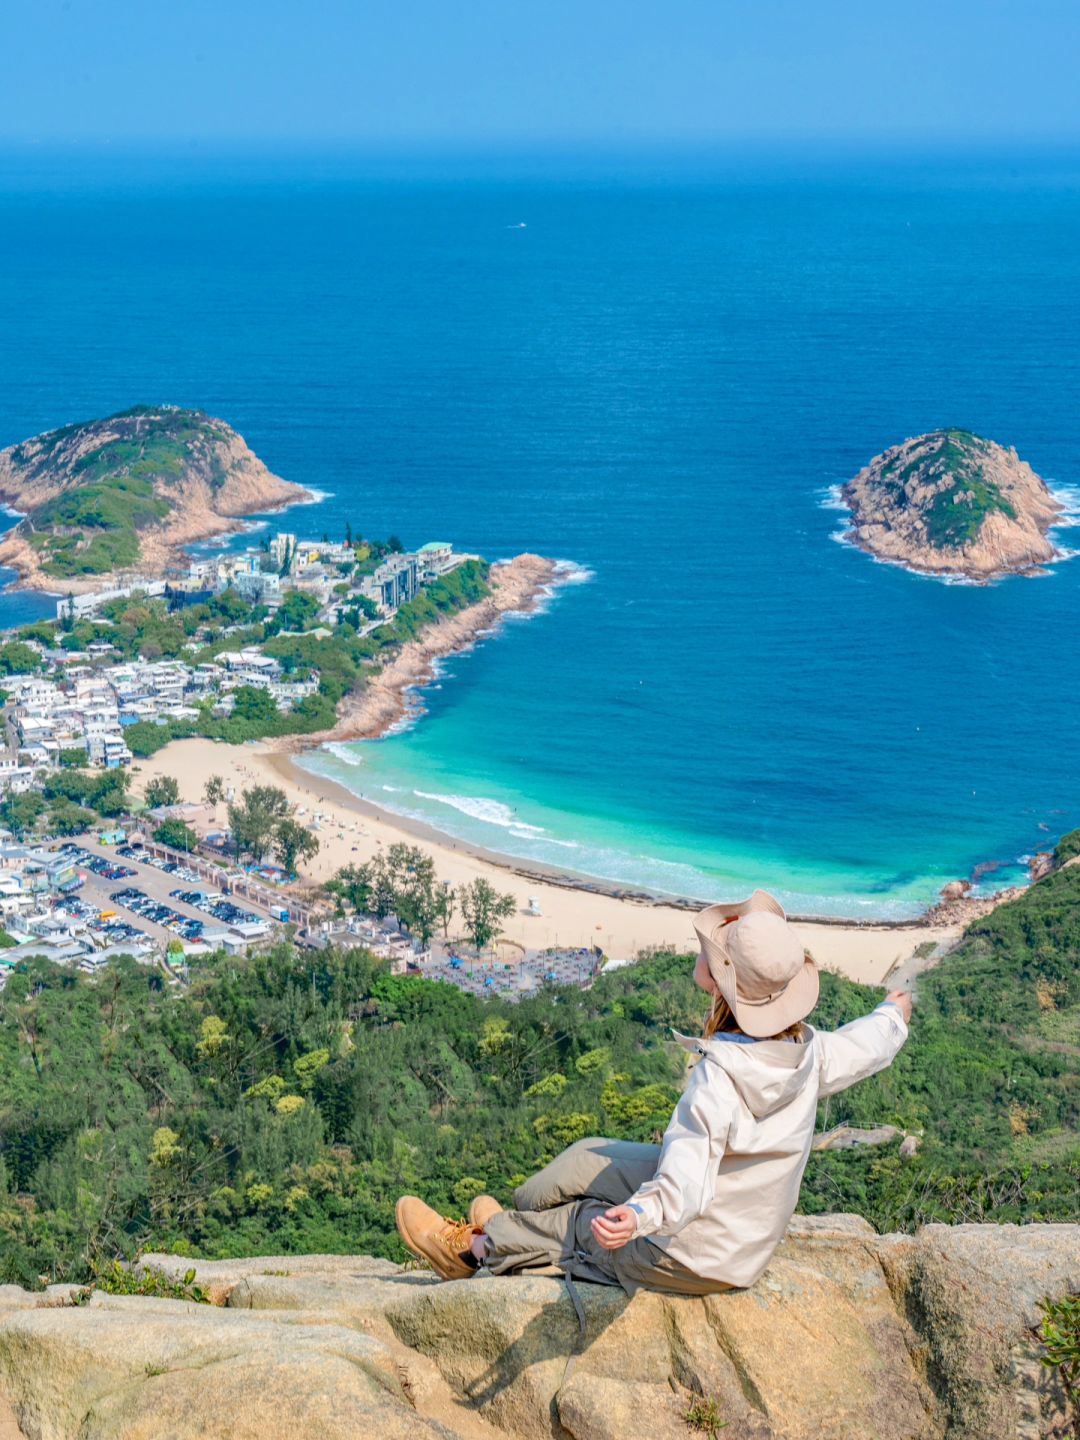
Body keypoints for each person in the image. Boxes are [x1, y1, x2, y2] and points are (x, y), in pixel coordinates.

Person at [395, 889, 911, 1295]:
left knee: (578, 1222)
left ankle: (475, 1251)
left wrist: (640, 1216)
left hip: (694, 1255)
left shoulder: (720, 1080)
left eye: (715, 948)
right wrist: (893, 1014)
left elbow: (687, 1179)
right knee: (585, 1159)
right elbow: (863, 1045)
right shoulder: (806, 1048)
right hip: (732, 1222)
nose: (707, 945)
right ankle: (515, 1223)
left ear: (722, 984)